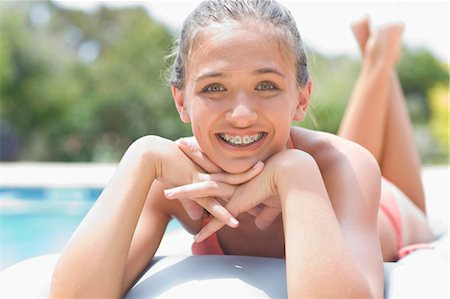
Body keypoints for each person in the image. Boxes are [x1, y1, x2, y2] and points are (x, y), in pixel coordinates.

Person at [50, 1, 435, 298]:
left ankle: (381, 62)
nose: (241, 115)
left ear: (302, 99)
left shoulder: (343, 166)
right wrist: (142, 155)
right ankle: (377, 57)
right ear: (181, 102)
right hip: (329, 166)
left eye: (266, 86)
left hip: (390, 210)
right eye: (213, 88)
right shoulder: (171, 180)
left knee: (354, 157)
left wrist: (294, 173)